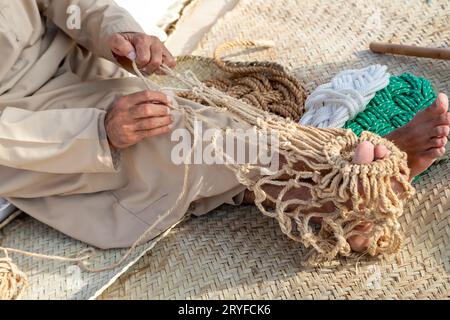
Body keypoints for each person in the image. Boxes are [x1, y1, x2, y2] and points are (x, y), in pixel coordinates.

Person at [0, 0, 448, 253]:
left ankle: (327, 203)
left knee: (214, 121)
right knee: (178, 140)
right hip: (30, 128)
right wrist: (98, 132)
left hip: (78, 70)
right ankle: (347, 181)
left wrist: (117, 34)